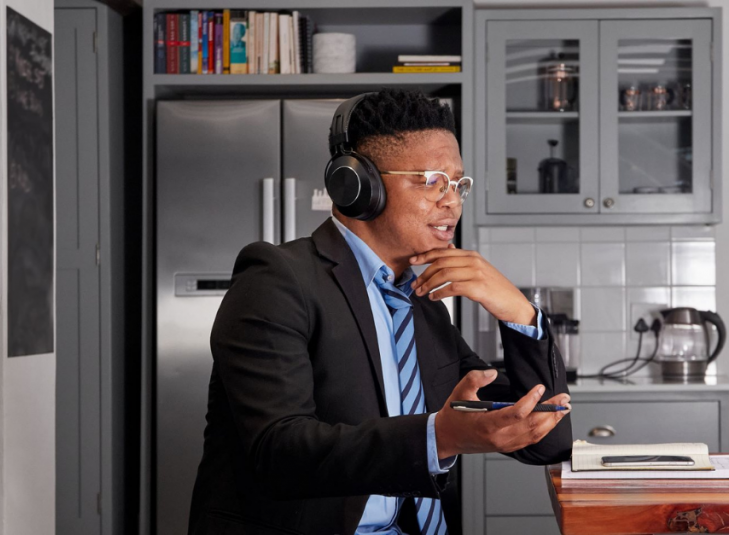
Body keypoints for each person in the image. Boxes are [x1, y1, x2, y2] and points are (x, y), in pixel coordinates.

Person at [187, 88, 573, 535]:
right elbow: (279, 453)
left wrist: (519, 313)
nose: (452, 201)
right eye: (432, 181)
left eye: (458, 184)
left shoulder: (422, 303)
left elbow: (546, 441)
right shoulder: (276, 278)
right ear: (357, 185)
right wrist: (440, 437)